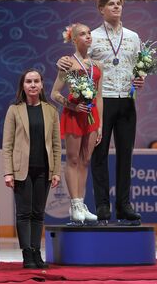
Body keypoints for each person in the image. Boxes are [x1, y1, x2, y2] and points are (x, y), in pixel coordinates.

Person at [57, 0, 145, 225]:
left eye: (119, 4)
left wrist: (140, 78)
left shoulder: (133, 37)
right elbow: (76, 60)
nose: (116, 7)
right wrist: (62, 62)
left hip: (127, 99)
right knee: (97, 154)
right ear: (101, 9)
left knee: (126, 154)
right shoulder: (92, 36)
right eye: (111, 4)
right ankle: (102, 205)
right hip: (99, 101)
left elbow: (139, 66)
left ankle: (124, 205)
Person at [2, 68, 61, 269]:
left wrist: (56, 172)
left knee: (38, 213)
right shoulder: (14, 110)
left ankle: (36, 251)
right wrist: (8, 172)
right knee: (23, 213)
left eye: (36, 81)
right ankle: (27, 253)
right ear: (23, 86)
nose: (33, 85)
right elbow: (7, 144)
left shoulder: (51, 111)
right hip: (21, 170)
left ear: (42, 85)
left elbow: (56, 145)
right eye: (29, 81)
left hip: (44, 169)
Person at [51, 23, 102, 224]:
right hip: (74, 115)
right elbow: (55, 93)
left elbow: (99, 97)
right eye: (83, 34)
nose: (88, 36)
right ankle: (74, 205)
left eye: (89, 33)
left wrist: (100, 125)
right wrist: (71, 107)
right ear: (74, 39)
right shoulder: (67, 63)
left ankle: (81, 203)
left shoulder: (98, 66)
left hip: (91, 116)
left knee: (85, 160)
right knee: (72, 160)